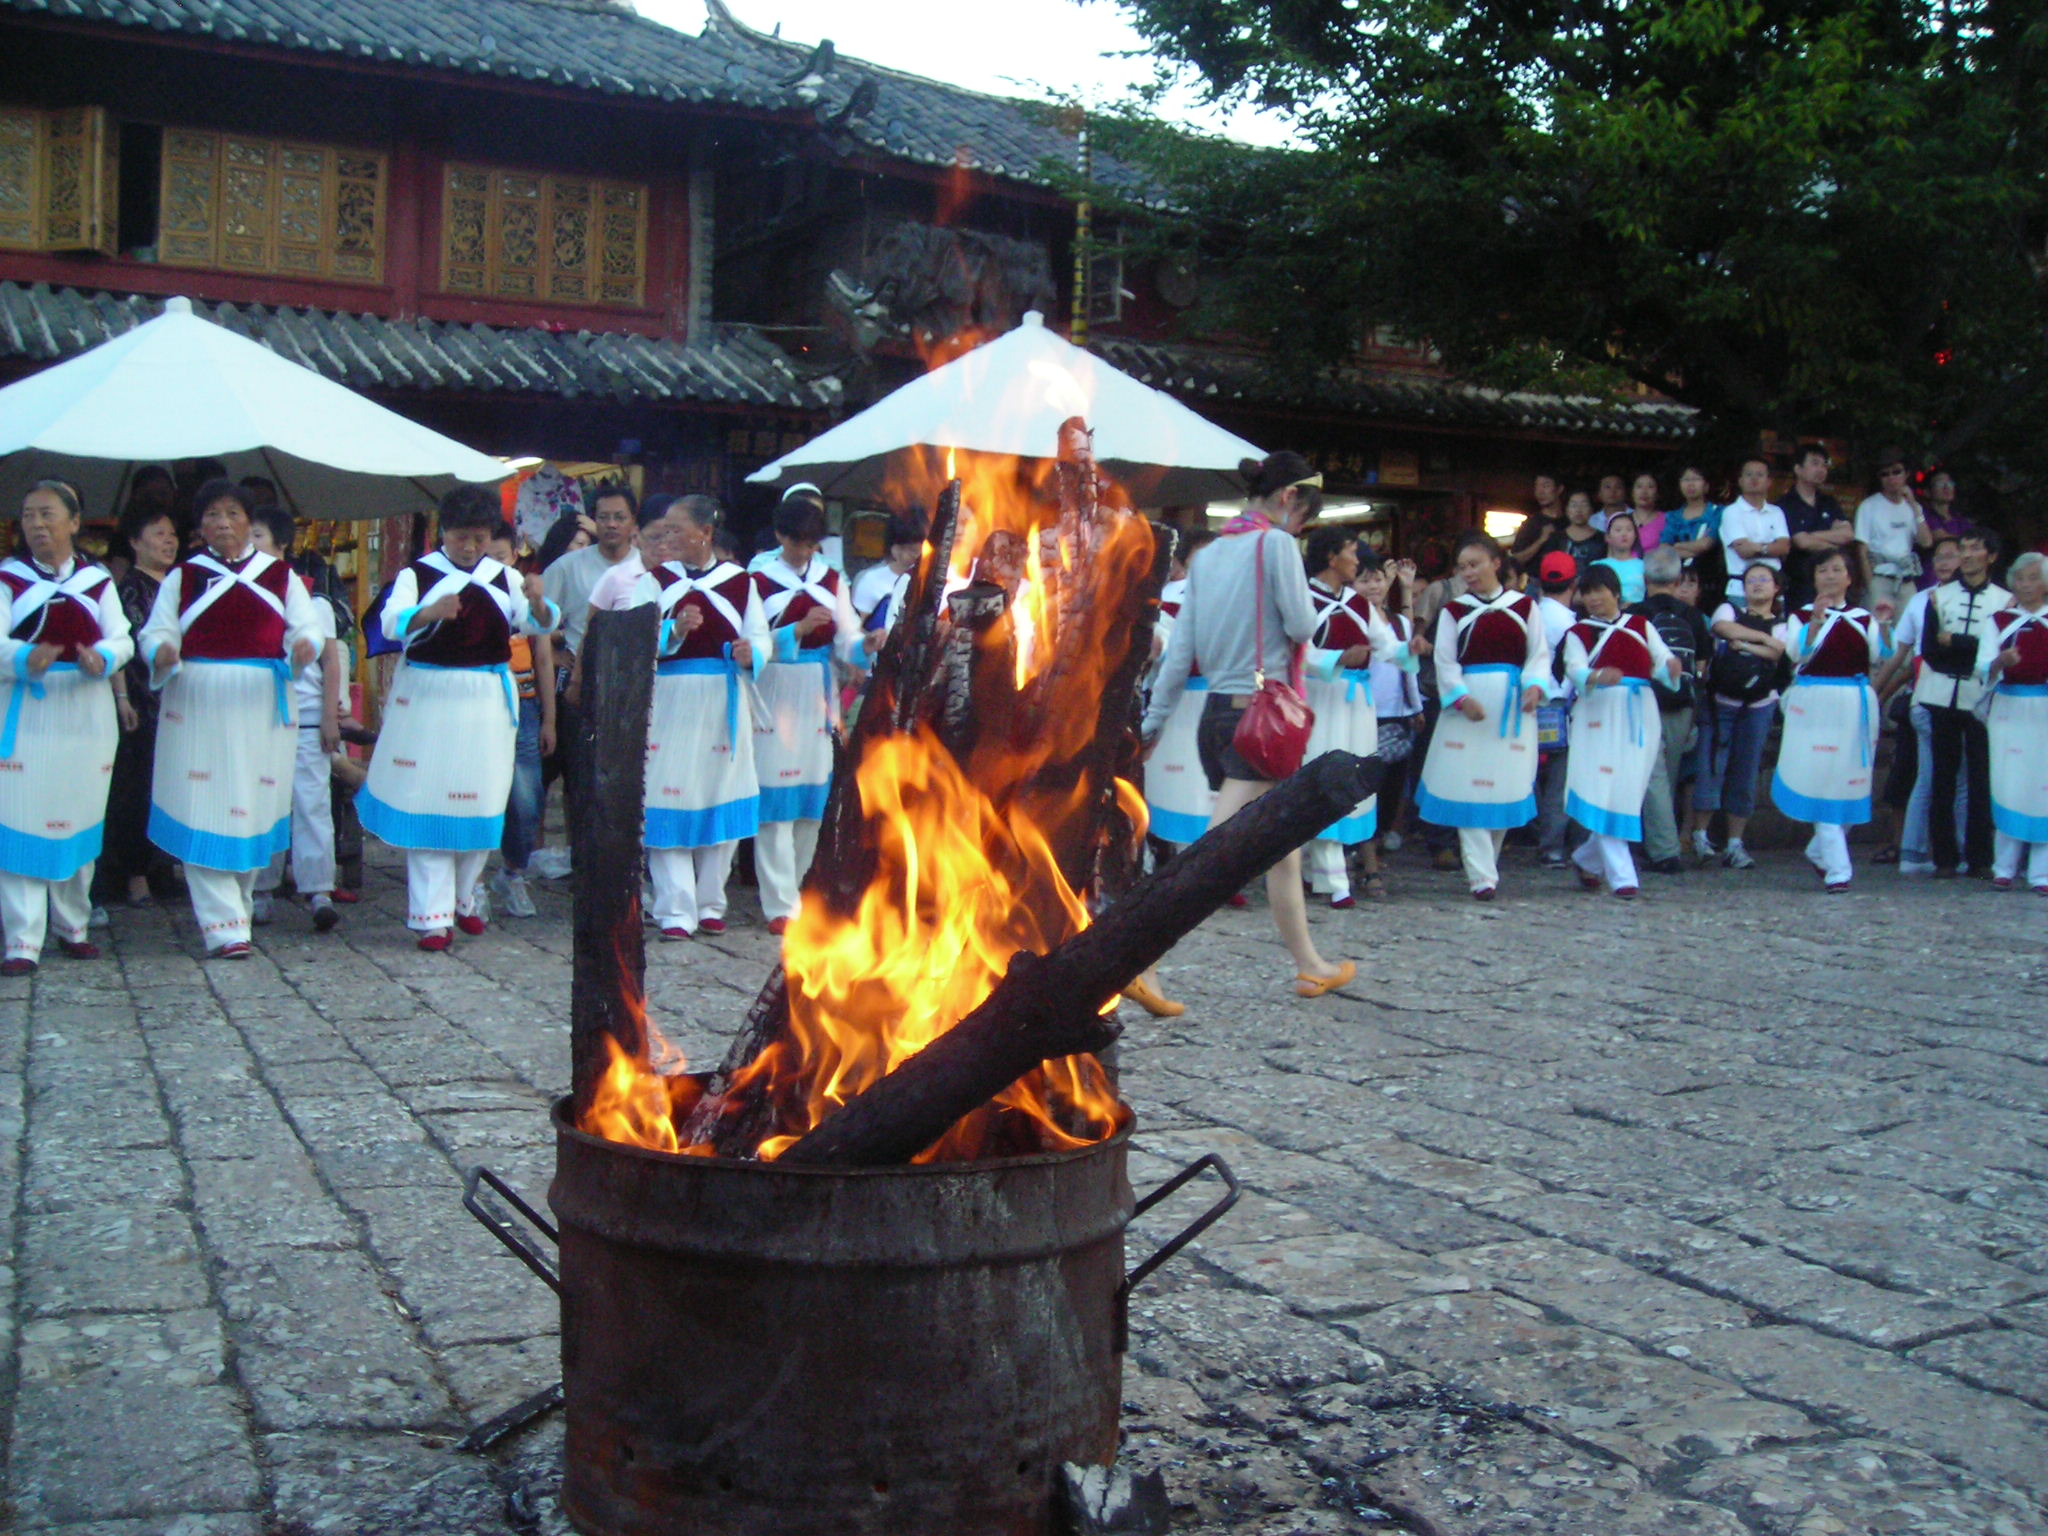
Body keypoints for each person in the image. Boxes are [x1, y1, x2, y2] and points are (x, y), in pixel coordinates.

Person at [1143, 453, 1360, 994]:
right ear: (1289, 498)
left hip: (1217, 715)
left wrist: (1152, 722)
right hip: (1261, 720)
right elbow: (1303, 622)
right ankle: (1138, 965)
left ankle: (1310, 963)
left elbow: (1181, 651)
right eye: (1304, 516)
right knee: (1209, 861)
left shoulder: (1209, 556)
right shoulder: (1277, 545)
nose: (1302, 529)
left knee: (1282, 847)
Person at [357, 486, 560, 950]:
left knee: (482, 800)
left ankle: (464, 896)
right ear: (443, 533)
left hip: (487, 698)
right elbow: (390, 623)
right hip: (429, 695)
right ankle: (431, 917)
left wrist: (539, 601)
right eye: (461, 536)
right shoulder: (417, 574)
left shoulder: (505, 577)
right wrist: (430, 612)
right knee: (429, 799)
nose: (470, 547)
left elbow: (538, 624)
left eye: (479, 537)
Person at [140, 479, 322, 958]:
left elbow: (307, 629)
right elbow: (156, 633)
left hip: (261, 705)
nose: (223, 523)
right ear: (200, 526)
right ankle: (223, 928)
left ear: (249, 521)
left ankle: (238, 908)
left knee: (250, 808)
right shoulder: (184, 577)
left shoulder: (281, 576)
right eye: (213, 515)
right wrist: (161, 650)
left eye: (233, 514)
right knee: (207, 804)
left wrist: (306, 647)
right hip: (198, 704)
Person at [0, 482, 131, 975]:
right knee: (20, 817)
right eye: (28, 515)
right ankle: (22, 939)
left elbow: (122, 637)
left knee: (79, 812)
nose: (36, 524)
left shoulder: (97, 582)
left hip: (85, 709)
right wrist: (23, 656)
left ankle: (72, 924)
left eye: (47, 514)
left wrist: (103, 657)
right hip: (27, 709)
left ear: (74, 522)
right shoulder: (8, 580)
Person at [632, 494, 767, 938]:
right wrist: (672, 631)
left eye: (676, 529)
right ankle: (675, 909)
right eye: (663, 529)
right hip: (670, 698)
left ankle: (711, 902)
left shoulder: (741, 581)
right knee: (665, 796)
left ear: (704, 534)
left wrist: (753, 653)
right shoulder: (654, 580)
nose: (667, 537)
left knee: (720, 793)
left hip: (722, 697)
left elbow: (760, 636)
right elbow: (633, 638)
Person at [1415, 531, 1552, 900]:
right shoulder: (1453, 611)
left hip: (1512, 709)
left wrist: (1535, 687)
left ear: (1496, 562)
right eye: (1462, 567)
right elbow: (1444, 660)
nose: (1469, 573)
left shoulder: (1526, 607)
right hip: (1468, 711)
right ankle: (1481, 877)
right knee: (1468, 785)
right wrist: (1460, 697)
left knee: (1505, 785)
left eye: (1474, 564)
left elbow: (1539, 654)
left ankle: (1486, 865)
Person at [751, 486, 860, 936]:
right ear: (781, 536)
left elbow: (847, 634)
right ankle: (777, 901)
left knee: (812, 798)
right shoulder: (757, 579)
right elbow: (754, 639)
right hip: (775, 685)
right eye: (796, 541)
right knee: (776, 797)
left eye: (811, 542)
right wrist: (796, 629)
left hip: (817, 689)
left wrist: (863, 648)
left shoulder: (832, 579)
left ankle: (798, 889)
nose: (803, 550)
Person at [1300, 528, 1412, 907]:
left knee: (1355, 776)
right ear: (1332, 558)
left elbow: (1387, 647)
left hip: (1358, 703)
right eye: (1351, 552)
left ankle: (1316, 870)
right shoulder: (1303, 599)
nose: (1357, 561)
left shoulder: (1359, 603)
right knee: (1327, 775)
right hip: (1321, 699)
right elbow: (1293, 651)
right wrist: (1335, 659)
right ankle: (1335, 880)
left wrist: (1412, 648)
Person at [246, 508, 343, 933]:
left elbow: (331, 659)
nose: (249, 546)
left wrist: (329, 716)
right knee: (264, 803)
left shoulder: (310, 597)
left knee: (312, 803)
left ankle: (319, 888)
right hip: (259, 715)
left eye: (258, 536)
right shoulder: (241, 596)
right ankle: (260, 889)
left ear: (282, 546)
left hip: (304, 715)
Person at [1771, 548, 1889, 890]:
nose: (1830, 575)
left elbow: (1881, 655)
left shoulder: (1862, 617)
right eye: (1823, 570)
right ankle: (1839, 868)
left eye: (1837, 569)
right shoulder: (1800, 615)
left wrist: (1884, 624)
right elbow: (1796, 654)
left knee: (1852, 778)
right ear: (1814, 578)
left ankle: (1819, 850)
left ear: (1849, 577)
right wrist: (1814, 624)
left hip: (1855, 703)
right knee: (1822, 777)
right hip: (1815, 702)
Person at [1560, 564, 1680, 897]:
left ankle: (1587, 859)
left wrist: (1670, 667)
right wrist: (1597, 677)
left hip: (1639, 712)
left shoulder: (1640, 625)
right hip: (1597, 714)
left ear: (1616, 593)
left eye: (1600, 590)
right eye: (1588, 592)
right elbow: (1574, 668)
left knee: (1628, 788)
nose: (1594, 598)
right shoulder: (1579, 632)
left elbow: (1660, 659)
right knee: (1604, 786)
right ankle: (1623, 876)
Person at [539, 483, 638, 874]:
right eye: (604, 517)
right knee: (583, 781)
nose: (611, 524)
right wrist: (555, 653)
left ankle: (623, 869)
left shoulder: (648, 569)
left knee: (628, 785)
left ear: (634, 523)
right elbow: (538, 621)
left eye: (619, 517)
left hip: (634, 689)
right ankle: (585, 868)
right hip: (582, 688)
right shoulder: (569, 567)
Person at [98, 497, 181, 909]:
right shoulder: (129, 588)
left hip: (176, 702)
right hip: (143, 703)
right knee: (137, 789)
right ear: (135, 542)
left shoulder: (178, 585)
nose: (169, 542)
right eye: (158, 534)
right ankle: (134, 874)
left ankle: (161, 867)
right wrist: (124, 699)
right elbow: (129, 648)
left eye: (172, 534)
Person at [1916, 526, 2010, 877]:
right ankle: (1944, 857)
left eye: (1976, 548)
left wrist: (1956, 640)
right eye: (1964, 548)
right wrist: (1968, 648)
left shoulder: (2004, 601)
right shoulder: (1940, 597)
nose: (1968, 554)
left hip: (1981, 696)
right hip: (1941, 692)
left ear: (1992, 556)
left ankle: (1981, 857)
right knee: (1942, 775)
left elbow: (1997, 653)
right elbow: (1931, 650)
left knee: (1981, 776)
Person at [1688, 563, 1787, 868]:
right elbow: (1722, 629)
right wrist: (1764, 640)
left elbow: (1779, 651)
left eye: (1764, 579)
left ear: (1776, 587)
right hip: (1722, 701)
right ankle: (1700, 836)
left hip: (1760, 703)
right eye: (1751, 580)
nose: (1757, 584)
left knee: (1746, 769)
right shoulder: (1728, 609)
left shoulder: (1785, 622)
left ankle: (1734, 842)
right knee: (1710, 766)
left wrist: (1744, 644)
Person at [1876, 536, 1964, 872]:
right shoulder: (1921, 601)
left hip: (1962, 698)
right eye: (1938, 557)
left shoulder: (1989, 600)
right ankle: (1907, 847)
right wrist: (1876, 694)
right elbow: (1904, 656)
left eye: (1951, 556)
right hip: (1923, 696)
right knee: (1913, 773)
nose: (1944, 563)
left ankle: (1959, 849)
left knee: (1958, 778)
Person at [487, 523, 556, 919]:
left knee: (526, 795)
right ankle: (473, 880)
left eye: (500, 557)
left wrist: (550, 718)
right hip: (483, 703)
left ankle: (514, 871)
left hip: (525, 705)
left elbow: (544, 656)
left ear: (515, 555)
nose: (492, 565)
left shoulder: (523, 596)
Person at [1633, 546, 1712, 874]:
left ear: (1644, 577)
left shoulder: (1635, 614)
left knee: (1652, 775)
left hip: (1645, 700)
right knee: (1669, 773)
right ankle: (1663, 844)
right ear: (1678, 578)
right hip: (1681, 703)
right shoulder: (1693, 616)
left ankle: (1662, 850)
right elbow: (1703, 667)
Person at [1143, 528, 1218, 850]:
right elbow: (1162, 650)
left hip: (1225, 703)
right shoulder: (1169, 602)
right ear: (1185, 562)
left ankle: (1221, 865)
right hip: (1182, 704)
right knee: (1184, 783)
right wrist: (1156, 645)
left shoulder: (1241, 601)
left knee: (1218, 786)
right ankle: (1186, 865)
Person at [1978, 552, 2048, 893]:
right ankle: (2003, 866)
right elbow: (1982, 665)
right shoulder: (1999, 621)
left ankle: (2042, 872)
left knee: (2043, 786)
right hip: (2009, 707)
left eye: (2033, 578)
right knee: (2008, 781)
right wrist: (2000, 662)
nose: (2026, 585)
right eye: (2020, 579)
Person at [1355, 553, 1423, 895]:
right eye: (1365, 579)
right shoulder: (1351, 620)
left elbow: (1407, 666)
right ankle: (1368, 865)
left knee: (1391, 792)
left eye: (1378, 578)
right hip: (1363, 713)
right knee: (1365, 791)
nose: (1373, 586)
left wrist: (1415, 705)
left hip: (1396, 714)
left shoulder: (1399, 623)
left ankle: (1372, 850)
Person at [1530, 552, 1579, 867]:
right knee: (1559, 781)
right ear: (1574, 583)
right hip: (1561, 704)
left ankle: (1521, 831)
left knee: (1526, 774)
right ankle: (1552, 846)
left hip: (1529, 699)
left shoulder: (1529, 614)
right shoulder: (1572, 623)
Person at [1853, 450, 1932, 615]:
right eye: (1885, 474)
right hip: (1880, 577)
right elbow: (1862, 550)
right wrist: (1871, 586)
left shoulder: (1913, 507)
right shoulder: (1869, 506)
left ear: (1906, 474)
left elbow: (1926, 542)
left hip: (1906, 579)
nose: (1891, 478)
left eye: (1897, 472)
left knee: (1907, 632)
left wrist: (1913, 505)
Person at [1780, 443, 1854, 611]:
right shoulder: (1785, 504)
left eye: (1824, 465)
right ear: (1798, 469)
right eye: (1814, 463)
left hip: (1832, 583)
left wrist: (1811, 535)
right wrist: (1835, 546)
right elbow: (1801, 542)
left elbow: (1848, 534)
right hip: (1799, 583)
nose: (1821, 469)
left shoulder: (1829, 501)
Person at [1717, 458, 1791, 603]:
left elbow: (1784, 548)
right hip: (1740, 588)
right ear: (1740, 480)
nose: (1754, 479)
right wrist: (1770, 547)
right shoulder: (1731, 512)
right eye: (1749, 474)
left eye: (1760, 474)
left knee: (1775, 626)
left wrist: (1756, 547)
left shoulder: (1776, 512)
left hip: (1773, 588)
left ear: (1769, 482)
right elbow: (1744, 551)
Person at [851, 514, 924, 630]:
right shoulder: (870, 580)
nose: (920, 556)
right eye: (913, 551)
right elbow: (856, 629)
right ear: (896, 550)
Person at [1660, 465, 1722, 583]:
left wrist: (1677, 546)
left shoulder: (1716, 512)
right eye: (1686, 480)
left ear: (1706, 486)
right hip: (1678, 579)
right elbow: (1665, 549)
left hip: (1708, 577)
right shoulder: (1673, 516)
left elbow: (1704, 545)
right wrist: (1693, 547)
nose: (1690, 484)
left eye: (1696, 479)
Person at [1509, 473, 1566, 567]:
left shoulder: (1569, 522)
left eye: (1545, 486)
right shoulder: (1531, 524)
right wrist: (1541, 540)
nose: (1540, 492)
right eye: (1537, 487)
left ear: (1559, 489)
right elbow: (1516, 559)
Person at [1595, 511, 1646, 604]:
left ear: (1635, 535)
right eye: (1618, 530)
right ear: (1607, 537)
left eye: (1629, 529)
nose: (1624, 534)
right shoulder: (1597, 566)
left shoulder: (1644, 566)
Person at [1553, 491, 1607, 569]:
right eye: (1574, 505)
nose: (1578, 510)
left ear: (1591, 510)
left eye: (1584, 505)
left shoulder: (1602, 539)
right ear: (1566, 510)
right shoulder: (1556, 538)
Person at [1629, 472, 1667, 553]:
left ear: (1657, 493)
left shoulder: (1667, 520)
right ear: (1632, 492)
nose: (1644, 492)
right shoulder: (1622, 520)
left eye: (1650, 487)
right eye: (1639, 486)